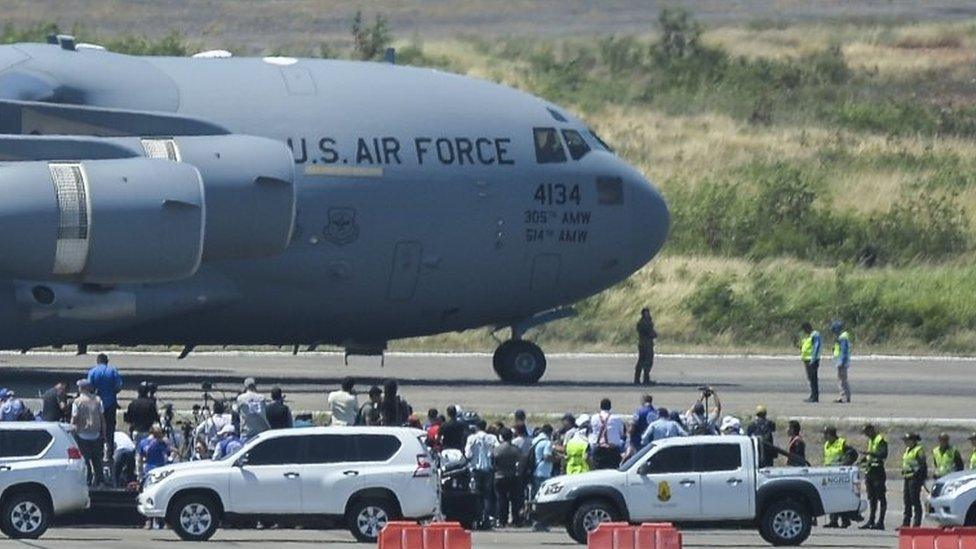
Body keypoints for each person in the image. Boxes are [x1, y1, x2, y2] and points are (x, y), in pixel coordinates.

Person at [71, 379, 106, 486]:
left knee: (85, 460)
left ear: (82, 388)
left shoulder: (77, 402)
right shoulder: (98, 400)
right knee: (97, 460)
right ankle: (100, 480)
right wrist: (103, 434)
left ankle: (87, 480)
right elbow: (102, 418)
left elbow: (74, 418)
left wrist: (71, 431)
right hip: (95, 434)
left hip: (82, 434)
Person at [87, 353, 122, 456]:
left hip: (96, 404)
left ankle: (99, 451)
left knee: (97, 427)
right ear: (107, 361)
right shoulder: (113, 371)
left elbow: (89, 387)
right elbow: (119, 386)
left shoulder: (92, 371)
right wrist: (112, 392)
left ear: (97, 361)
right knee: (110, 427)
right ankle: (110, 451)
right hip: (110, 403)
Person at [465, 419, 497, 529]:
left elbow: (468, 454)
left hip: (475, 470)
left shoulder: (471, 438)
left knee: (476, 495)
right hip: (488, 469)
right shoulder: (492, 438)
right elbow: (496, 451)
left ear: (477, 427)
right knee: (487, 496)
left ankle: (477, 518)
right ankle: (486, 519)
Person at [492, 427, 523, 527]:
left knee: (501, 499)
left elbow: (493, 463)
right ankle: (516, 520)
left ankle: (502, 520)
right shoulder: (515, 449)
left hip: (499, 475)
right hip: (512, 475)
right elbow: (521, 461)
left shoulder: (497, 449)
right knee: (514, 499)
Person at [859, 424, 888, 530]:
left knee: (881, 497)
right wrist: (862, 460)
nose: (866, 435)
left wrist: (870, 453)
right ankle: (871, 520)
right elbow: (869, 456)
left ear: (871, 430)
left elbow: (883, 454)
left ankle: (881, 522)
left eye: (867, 432)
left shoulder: (880, 440)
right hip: (870, 471)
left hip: (878, 472)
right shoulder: (871, 441)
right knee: (872, 498)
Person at [589, 398, 625, 469]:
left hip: (598, 449)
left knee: (598, 471)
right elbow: (621, 433)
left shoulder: (594, 418)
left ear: (600, 407)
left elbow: (592, 431)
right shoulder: (616, 418)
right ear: (610, 407)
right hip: (613, 450)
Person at [901, 433, 927, 527]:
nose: (905, 442)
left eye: (907, 440)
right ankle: (906, 523)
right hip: (907, 477)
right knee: (907, 500)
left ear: (913, 441)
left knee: (915, 500)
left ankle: (917, 523)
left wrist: (920, 478)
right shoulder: (908, 450)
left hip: (915, 478)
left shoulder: (918, 450)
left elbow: (923, 465)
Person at [634, 308, 658, 385]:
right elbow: (649, 333)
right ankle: (640, 379)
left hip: (648, 344)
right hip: (644, 344)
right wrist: (653, 333)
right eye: (646, 313)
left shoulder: (647, 322)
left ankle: (645, 378)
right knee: (643, 362)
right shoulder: (642, 323)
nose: (647, 315)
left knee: (647, 362)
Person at [800, 323, 821, 403]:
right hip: (807, 359)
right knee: (810, 378)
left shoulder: (815, 335)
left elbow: (816, 346)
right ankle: (812, 395)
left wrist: (813, 358)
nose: (804, 331)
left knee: (813, 378)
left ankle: (815, 397)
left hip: (812, 360)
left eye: (805, 329)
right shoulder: (808, 336)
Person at [831, 321, 852, 403]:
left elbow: (844, 351)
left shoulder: (842, 338)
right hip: (841, 360)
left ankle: (843, 396)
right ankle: (846, 396)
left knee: (842, 379)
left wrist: (841, 361)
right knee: (843, 379)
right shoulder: (842, 337)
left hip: (842, 361)